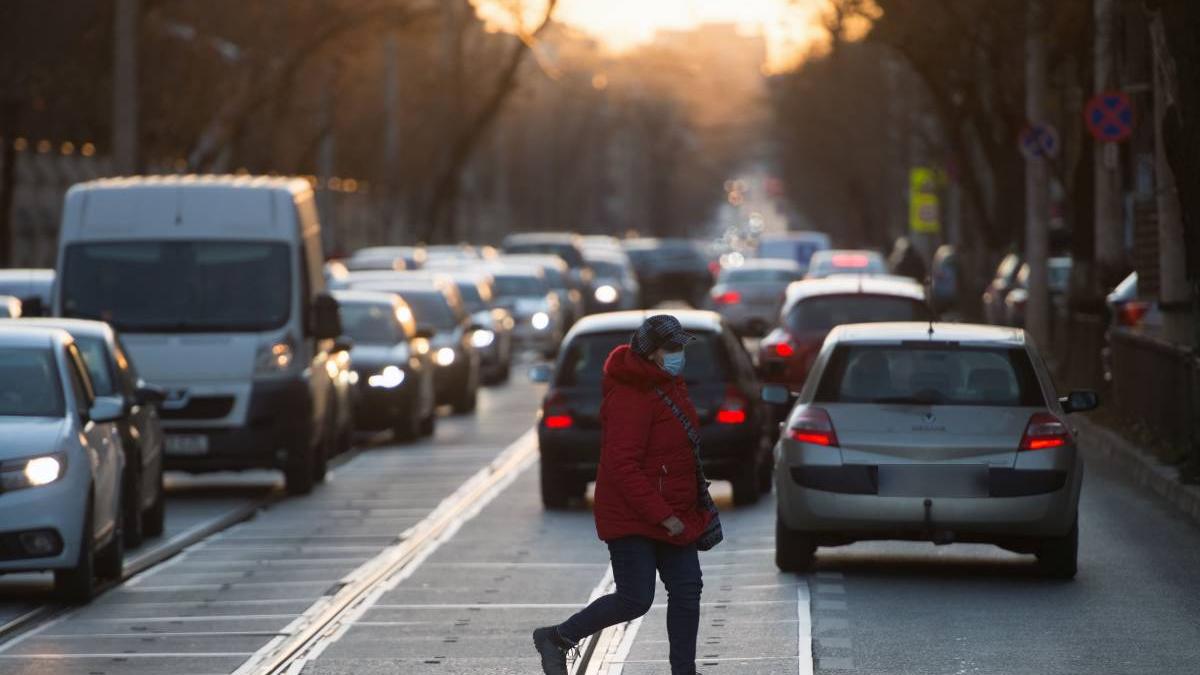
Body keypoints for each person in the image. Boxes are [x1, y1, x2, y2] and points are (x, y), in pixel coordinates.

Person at [532, 314, 714, 675]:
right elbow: (622, 466)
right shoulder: (631, 396)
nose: (679, 354)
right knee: (634, 598)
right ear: (651, 353)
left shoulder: (670, 384)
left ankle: (684, 671)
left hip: (674, 507)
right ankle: (557, 638)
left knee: (687, 588)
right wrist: (664, 515)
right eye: (672, 348)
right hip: (634, 515)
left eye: (681, 347)